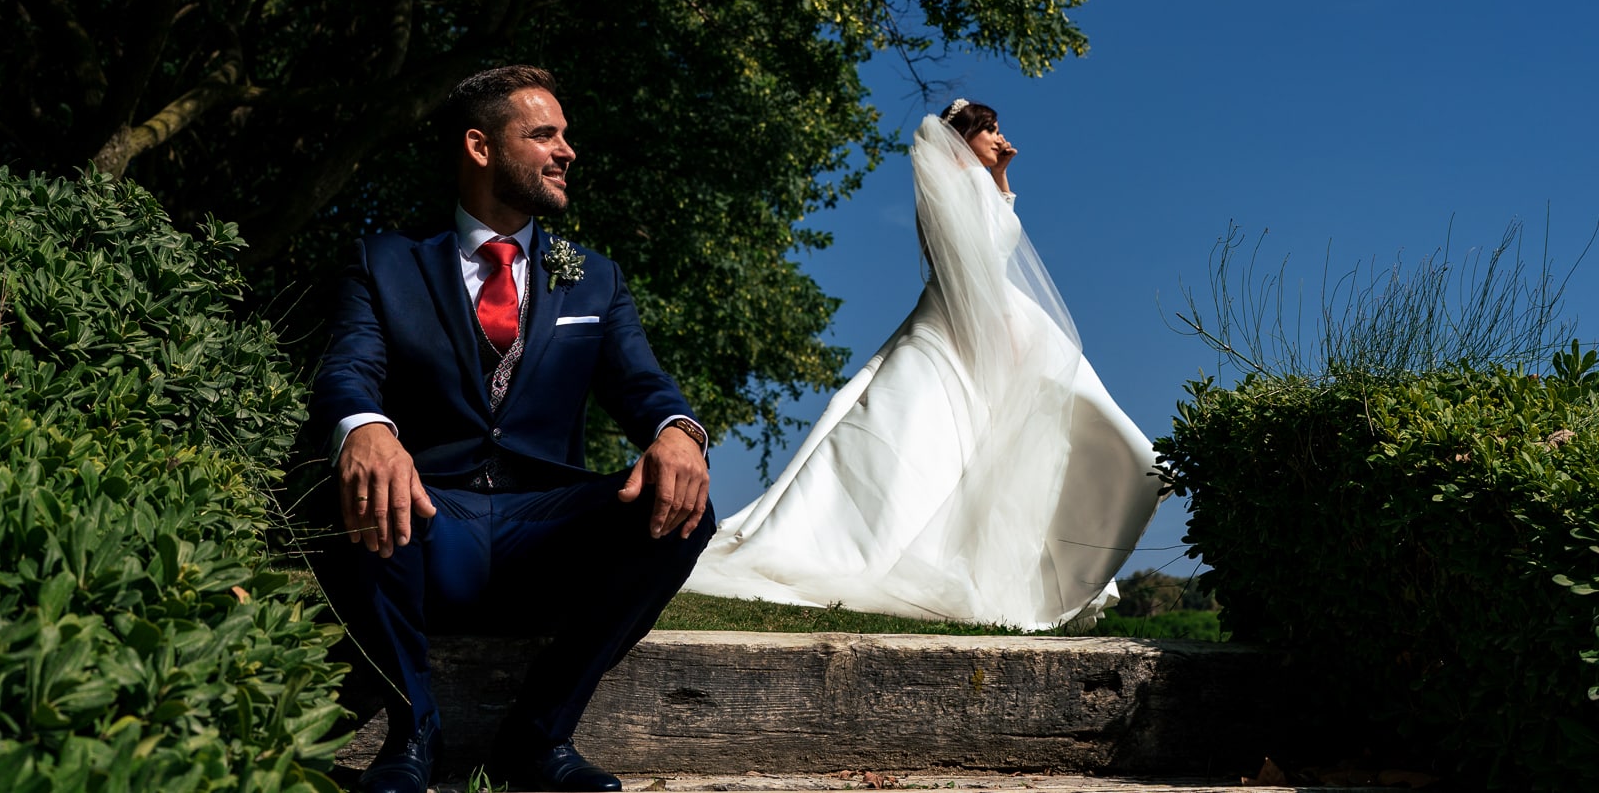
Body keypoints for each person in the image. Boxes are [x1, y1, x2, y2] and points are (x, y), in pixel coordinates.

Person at [307, 65, 714, 793]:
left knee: (685, 511)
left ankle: (539, 735)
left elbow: (644, 385)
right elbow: (348, 371)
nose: (568, 150)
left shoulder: (594, 278)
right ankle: (412, 732)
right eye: (544, 134)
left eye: (567, 136)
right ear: (480, 145)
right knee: (348, 478)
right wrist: (365, 427)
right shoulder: (386, 263)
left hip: (544, 534)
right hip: (428, 526)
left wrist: (680, 429)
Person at [685, 99, 1162, 630]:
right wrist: (1003, 332)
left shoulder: (978, 185)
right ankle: (861, 547)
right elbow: (966, 264)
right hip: (969, 320)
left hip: (998, 316)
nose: (1000, 137)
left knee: (1047, 426)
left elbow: (997, 241)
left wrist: (1001, 179)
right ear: (963, 137)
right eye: (990, 130)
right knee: (925, 434)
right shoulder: (947, 186)